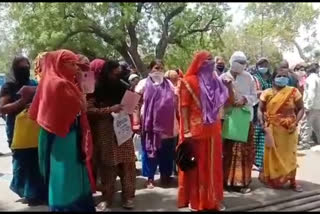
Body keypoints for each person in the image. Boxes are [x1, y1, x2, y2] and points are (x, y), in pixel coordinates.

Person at [28, 49, 95, 212]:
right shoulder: (58, 84)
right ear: (59, 64)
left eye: (76, 65)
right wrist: (81, 87)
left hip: (66, 134)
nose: (76, 69)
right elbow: (80, 107)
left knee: (72, 174)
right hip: (62, 136)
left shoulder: (60, 82)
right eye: (71, 65)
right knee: (64, 177)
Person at [177, 51, 228, 211]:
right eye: (208, 60)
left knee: (213, 165)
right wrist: (185, 130)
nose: (212, 63)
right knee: (198, 166)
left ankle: (213, 199)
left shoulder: (215, 81)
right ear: (199, 63)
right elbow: (184, 107)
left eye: (213, 59)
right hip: (195, 130)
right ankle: (197, 200)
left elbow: (224, 101)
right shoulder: (188, 81)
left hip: (213, 129)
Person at [87, 60, 136, 210]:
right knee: (107, 165)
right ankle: (107, 198)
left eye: (118, 72)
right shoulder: (95, 89)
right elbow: (88, 110)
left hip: (123, 130)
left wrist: (131, 102)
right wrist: (109, 109)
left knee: (128, 164)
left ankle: (128, 197)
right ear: (106, 73)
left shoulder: (123, 86)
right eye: (114, 72)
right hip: (105, 131)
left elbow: (132, 107)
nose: (116, 75)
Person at [0, 56, 46, 206]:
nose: (25, 69)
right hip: (16, 130)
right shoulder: (9, 86)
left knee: (35, 161)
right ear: (15, 69)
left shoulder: (33, 83)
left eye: (27, 66)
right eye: (21, 67)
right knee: (22, 162)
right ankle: (26, 191)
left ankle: (35, 193)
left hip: (34, 127)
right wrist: (21, 102)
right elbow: (2, 108)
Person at [134, 60, 178, 189]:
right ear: (150, 69)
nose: (158, 70)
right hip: (149, 125)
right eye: (156, 68)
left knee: (167, 152)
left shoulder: (169, 83)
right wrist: (136, 122)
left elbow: (176, 101)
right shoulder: (143, 83)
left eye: (161, 68)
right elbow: (135, 104)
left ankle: (165, 176)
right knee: (149, 151)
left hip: (167, 125)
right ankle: (150, 178)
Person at [258, 67, 304, 192]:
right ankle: (273, 180)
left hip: (289, 129)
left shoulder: (293, 91)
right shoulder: (266, 92)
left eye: (285, 76)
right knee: (272, 155)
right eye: (279, 76)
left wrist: (296, 122)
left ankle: (292, 181)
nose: (282, 78)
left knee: (290, 156)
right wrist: (262, 123)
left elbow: (301, 108)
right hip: (272, 129)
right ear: (273, 78)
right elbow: (260, 109)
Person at [220, 51, 257, 194]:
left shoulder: (249, 78)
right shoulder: (223, 77)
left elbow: (254, 96)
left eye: (244, 62)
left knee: (243, 151)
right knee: (228, 150)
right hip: (228, 119)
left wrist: (245, 99)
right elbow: (218, 98)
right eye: (239, 62)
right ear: (232, 62)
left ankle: (242, 181)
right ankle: (226, 181)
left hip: (244, 119)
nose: (242, 65)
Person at [252, 58, 273, 171]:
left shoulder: (270, 77)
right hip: (258, 108)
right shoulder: (255, 78)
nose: (264, 66)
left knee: (266, 135)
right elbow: (253, 92)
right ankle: (255, 161)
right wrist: (267, 92)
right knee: (257, 134)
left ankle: (264, 162)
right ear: (257, 65)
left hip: (270, 109)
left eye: (266, 64)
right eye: (261, 64)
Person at [302, 63, 320, 146]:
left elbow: (311, 93)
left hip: (311, 106)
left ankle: (305, 142)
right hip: (317, 106)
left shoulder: (310, 79)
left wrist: (308, 106)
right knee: (317, 125)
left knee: (306, 124)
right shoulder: (317, 78)